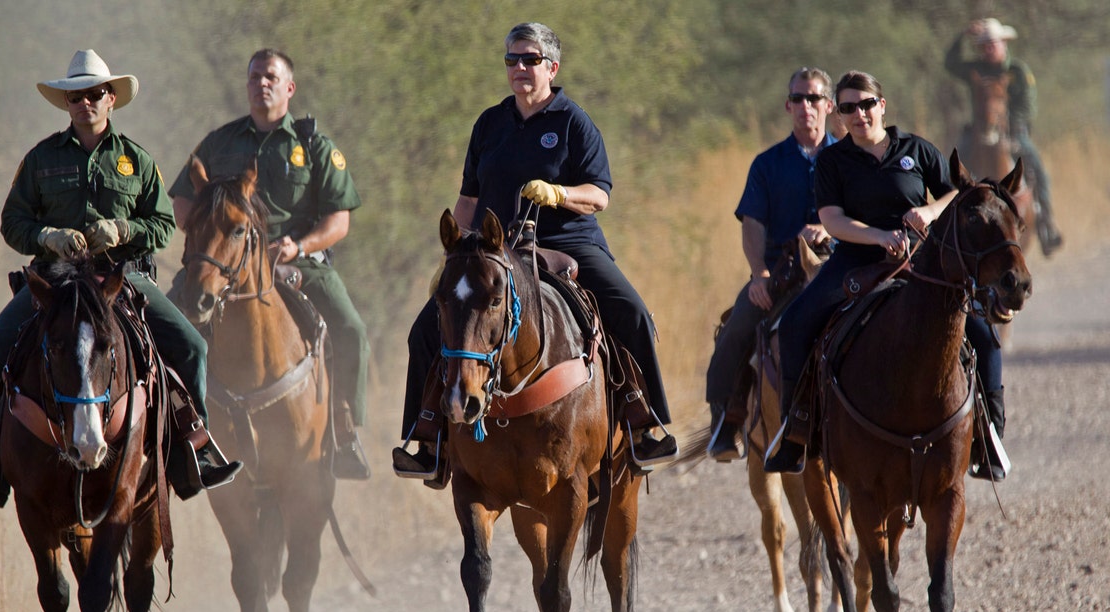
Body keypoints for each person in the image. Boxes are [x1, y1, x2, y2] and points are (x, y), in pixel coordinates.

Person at [0, 49, 241, 505]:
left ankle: (194, 453)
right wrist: (47, 237)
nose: (86, 102)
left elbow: (164, 225)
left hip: (121, 280)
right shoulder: (40, 159)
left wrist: (123, 230)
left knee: (192, 348)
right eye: (76, 96)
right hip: (55, 282)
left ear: (111, 99)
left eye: (95, 94)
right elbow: (12, 223)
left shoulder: (138, 161)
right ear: (67, 104)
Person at [392, 22, 677, 483]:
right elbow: (467, 202)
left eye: (530, 59)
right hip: (492, 250)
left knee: (633, 313)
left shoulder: (573, 121)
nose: (520, 68)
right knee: (425, 330)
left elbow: (600, 195)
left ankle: (647, 424)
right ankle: (427, 437)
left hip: (567, 242)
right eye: (512, 60)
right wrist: (453, 261)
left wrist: (557, 193)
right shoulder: (489, 123)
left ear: (552, 67)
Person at [764, 70, 1009, 481]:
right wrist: (879, 235)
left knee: (983, 332)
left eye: (865, 104)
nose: (858, 114)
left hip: (921, 259)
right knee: (794, 325)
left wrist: (929, 212)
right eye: (847, 108)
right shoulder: (832, 161)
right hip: (855, 260)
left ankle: (990, 437)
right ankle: (798, 427)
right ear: (838, 114)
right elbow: (832, 219)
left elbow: (958, 191)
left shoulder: (916, 148)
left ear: (881, 105)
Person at [169, 48, 371, 480]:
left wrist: (298, 245)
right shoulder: (219, 142)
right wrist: (208, 241)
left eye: (271, 78)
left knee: (351, 328)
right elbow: (183, 200)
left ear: (289, 88)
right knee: (164, 322)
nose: (262, 84)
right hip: (226, 263)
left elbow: (339, 219)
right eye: (255, 77)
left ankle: (345, 430)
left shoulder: (314, 146)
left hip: (297, 262)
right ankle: (177, 431)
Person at [703, 67, 837, 462]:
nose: (806, 107)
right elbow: (753, 224)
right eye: (798, 99)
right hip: (782, 272)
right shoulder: (767, 164)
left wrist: (830, 229)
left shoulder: (848, 159)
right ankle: (728, 422)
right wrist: (759, 273)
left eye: (814, 98)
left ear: (828, 105)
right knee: (737, 326)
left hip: (840, 267)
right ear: (788, 106)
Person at [946, 17, 1063, 256]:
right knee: (955, 170)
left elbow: (1028, 104)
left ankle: (1047, 226)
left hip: (1014, 130)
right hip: (979, 130)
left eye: (993, 43)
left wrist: (1012, 126)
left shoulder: (1017, 71)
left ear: (1003, 43)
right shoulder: (975, 70)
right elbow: (950, 63)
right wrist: (963, 35)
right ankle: (949, 225)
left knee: (1037, 169)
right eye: (984, 44)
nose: (989, 48)